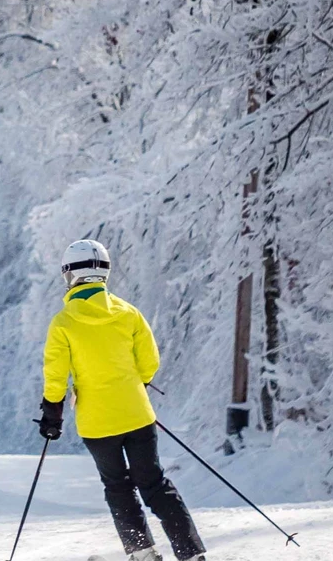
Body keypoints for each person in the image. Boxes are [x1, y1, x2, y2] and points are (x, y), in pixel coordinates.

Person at [37, 239, 207, 561]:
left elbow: (55, 378)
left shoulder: (63, 323)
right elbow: (150, 362)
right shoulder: (128, 313)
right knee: (154, 484)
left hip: (97, 423)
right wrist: (132, 386)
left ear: (69, 275)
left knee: (117, 486)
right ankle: (191, 553)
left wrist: (52, 418)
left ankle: (142, 552)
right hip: (137, 415)